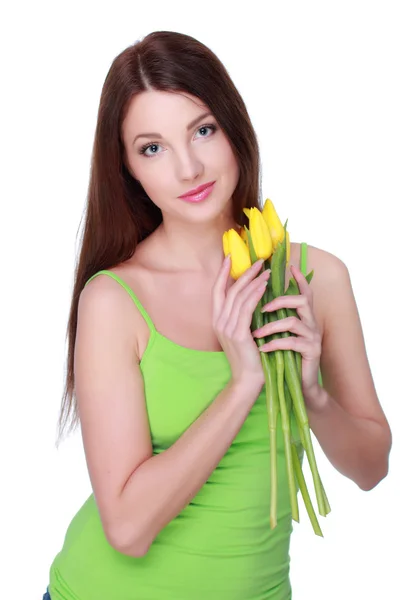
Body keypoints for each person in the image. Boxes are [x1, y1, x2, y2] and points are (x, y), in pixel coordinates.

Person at [43, 30, 392, 600]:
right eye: (152, 147)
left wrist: (312, 393)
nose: (187, 168)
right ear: (128, 168)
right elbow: (127, 530)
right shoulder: (113, 300)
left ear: (234, 129)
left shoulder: (317, 279)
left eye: (202, 130)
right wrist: (243, 385)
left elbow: (371, 469)